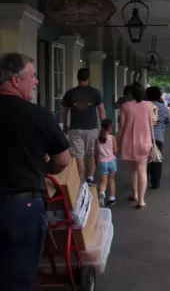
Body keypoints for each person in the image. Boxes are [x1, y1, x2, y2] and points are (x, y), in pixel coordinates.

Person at [0, 53, 70, 290]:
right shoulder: (38, 115)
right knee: (18, 274)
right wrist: (42, 167)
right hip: (21, 207)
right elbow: (62, 160)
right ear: (15, 80)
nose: (37, 81)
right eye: (33, 76)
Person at [61, 68, 106, 186]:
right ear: (88, 78)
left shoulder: (70, 93)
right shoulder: (95, 92)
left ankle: (81, 180)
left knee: (78, 155)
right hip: (91, 127)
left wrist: (65, 124)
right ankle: (90, 178)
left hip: (75, 127)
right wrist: (104, 126)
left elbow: (64, 111)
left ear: (77, 77)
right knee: (91, 153)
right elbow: (101, 110)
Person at [118, 84, 158, 209]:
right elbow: (153, 122)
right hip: (145, 142)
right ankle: (141, 200)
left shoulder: (125, 106)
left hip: (129, 142)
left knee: (133, 169)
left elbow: (122, 127)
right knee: (142, 170)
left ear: (131, 93)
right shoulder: (148, 105)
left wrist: (115, 141)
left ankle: (134, 193)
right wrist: (155, 111)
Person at [145, 86, 170, 189]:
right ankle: (155, 182)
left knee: (144, 160)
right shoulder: (163, 107)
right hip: (158, 138)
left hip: (145, 136)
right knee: (156, 160)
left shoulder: (144, 106)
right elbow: (168, 120)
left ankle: (143, 180)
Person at [94, 118, 118, 207]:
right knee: (112, 180)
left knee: (103, 182)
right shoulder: (112, 138)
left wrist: (97, 161)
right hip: (112, 161)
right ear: (110, 127)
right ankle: (112, 198)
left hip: (102, 162)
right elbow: (115, 150)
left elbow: (96, 153)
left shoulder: (97, 140)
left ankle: (102, 192)